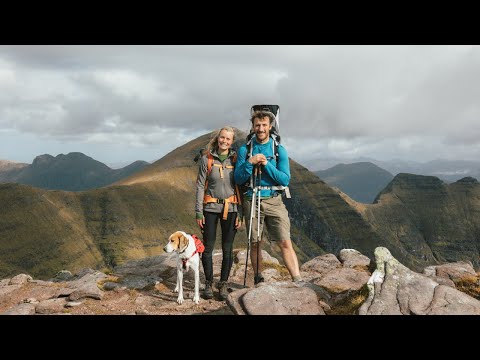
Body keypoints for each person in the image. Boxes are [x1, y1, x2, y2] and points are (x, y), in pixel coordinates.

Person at [234, 110, 302, 285]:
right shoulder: (245, 149)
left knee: (285, 241)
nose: (261, 128)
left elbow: (284, 179)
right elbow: (238, 178)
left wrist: (265, 164)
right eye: (257, 125)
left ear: (270, 126)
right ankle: (258, 278)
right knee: (255, 243)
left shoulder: (279, 150)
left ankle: (298, 279)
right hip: (252, 198)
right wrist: (250, 162)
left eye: (264, 125)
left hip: (273, 199)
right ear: (253, 126)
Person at [195, 126, 242, 300]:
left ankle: (223, 284)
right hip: (209, 209)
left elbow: (241, 187)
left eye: (228, 139)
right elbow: (200, 186)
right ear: (218, 138)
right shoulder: (206, 159)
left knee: (227, 249)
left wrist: (241, 214)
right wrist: (199, 212)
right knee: (207, 248)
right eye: (222, 138)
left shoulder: (236, 159)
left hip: (231, 209)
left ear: (232, 141)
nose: (224, 141)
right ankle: (208, 283)